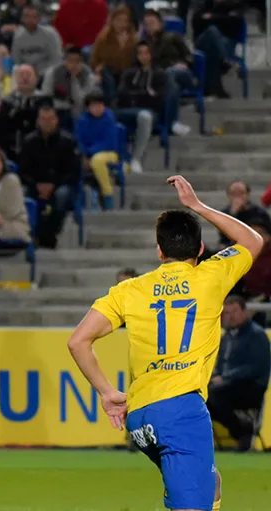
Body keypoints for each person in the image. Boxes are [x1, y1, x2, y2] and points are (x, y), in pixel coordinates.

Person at [67, 174, 263, 511]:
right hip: (182, 412)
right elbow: (253, 240)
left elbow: (78, 341)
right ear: (201, 250)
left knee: (210, 483)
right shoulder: (212, 276)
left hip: (141, 417)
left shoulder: (130, 290)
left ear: (159, 251)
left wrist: (106, 392)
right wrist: (197, 206)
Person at [207, 295, 271, 450]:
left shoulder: (257, 335)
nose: (230, 316)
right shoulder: (227, 336)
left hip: (250, 387)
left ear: (245, 312)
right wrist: (215, 376)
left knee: (216, 395)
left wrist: (225, 377)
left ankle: (242, 431)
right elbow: (221, 364)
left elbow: (254, 367)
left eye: (234, 311)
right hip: (227, 385)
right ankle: (241, 430)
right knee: (202, 395)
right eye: (227, 312)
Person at [19, 104, 81, 248]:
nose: (47, 122)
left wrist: (53, 185)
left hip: (60, 184)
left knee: (61, 196)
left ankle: (48, 236)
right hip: (34, 184)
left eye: (50, 119)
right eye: (43, 119)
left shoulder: (68, 142)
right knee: (22, 196)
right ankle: (31, 236)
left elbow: (74, 172)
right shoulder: (29, 142)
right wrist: (36, 185)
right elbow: (23, 171)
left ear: (56, 120)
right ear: (38, 121)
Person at [143, 9, 194, 136]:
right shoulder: (145, 45)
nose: (150, 27)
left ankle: (169, 123)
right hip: (161, 76)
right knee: (172, 86)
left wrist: (184, 63)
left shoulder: (172, 37)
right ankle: (170, 124)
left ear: (160, 24)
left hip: (180, 71)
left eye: (152, 23)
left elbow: (189, 55)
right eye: (147, 24)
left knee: (171, 73)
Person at [116, 41, 164, 174]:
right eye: (140, 53)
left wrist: (138, 96)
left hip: (149, 111)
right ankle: (121, 158)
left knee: (145, 116)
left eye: (146, 53)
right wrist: (145, 95)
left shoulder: (159, 74)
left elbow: (159, 98)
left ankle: (136, 158)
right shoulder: (129, 73)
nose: (143, 56)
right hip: (128, 110)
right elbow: (122, 94)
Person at [0, 64, 47, 162]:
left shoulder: (45, 100)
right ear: (16, 79)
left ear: (36, 78)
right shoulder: (7, 101)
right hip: (13, 148)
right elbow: (0, 128)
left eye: (28, 74)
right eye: (22, 75)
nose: (25, 78)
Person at [74, 92, 119, 210]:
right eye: (94, 105)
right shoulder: (82, 121)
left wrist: (90, 152)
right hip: (88, 154)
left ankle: (107, 194)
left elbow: (110, 142)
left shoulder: (109, 119)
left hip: (110, 153)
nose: (98, 108)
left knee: (97, 161)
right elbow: (79, 140)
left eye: (100, 105)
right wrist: (84, 154)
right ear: (88, 107)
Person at [41, 46, 98, 122]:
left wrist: (74, 80)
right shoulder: (52, 73)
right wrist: (66, 105)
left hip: (81, 113)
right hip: (59, 111)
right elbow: (46, 97)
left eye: (78, 61)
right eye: (70, 61)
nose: (74, 65)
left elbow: (81, 101)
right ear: (64, 61)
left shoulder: (89, 76)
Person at [90, 6, 138, 85]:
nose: (122, 24)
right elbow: (94, 60)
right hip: (108, 74)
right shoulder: (103, 38)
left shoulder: (134, 39)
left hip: (127, 75)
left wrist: (123, 46)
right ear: (112, 21)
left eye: (125, 21)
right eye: (118, 20)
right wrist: (98, 68)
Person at [10, 4, 62, 78]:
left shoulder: (51, 34)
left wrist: (40, 74)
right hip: (25, 75)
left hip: (46, 74)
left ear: (39, 18)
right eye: (27, 16)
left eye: (34, 17)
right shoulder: (18, 36)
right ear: (22, 18)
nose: (30, 20)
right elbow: (16, 61)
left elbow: (56, 60)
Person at [219, 181, 271, 248]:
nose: (238, 197)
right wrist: (233, 214)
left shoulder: (259, 212)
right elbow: (224, 238)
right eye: (234, 194)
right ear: (229, 196)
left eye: (241, 193)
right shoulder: (225, 214)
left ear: (247, 195)